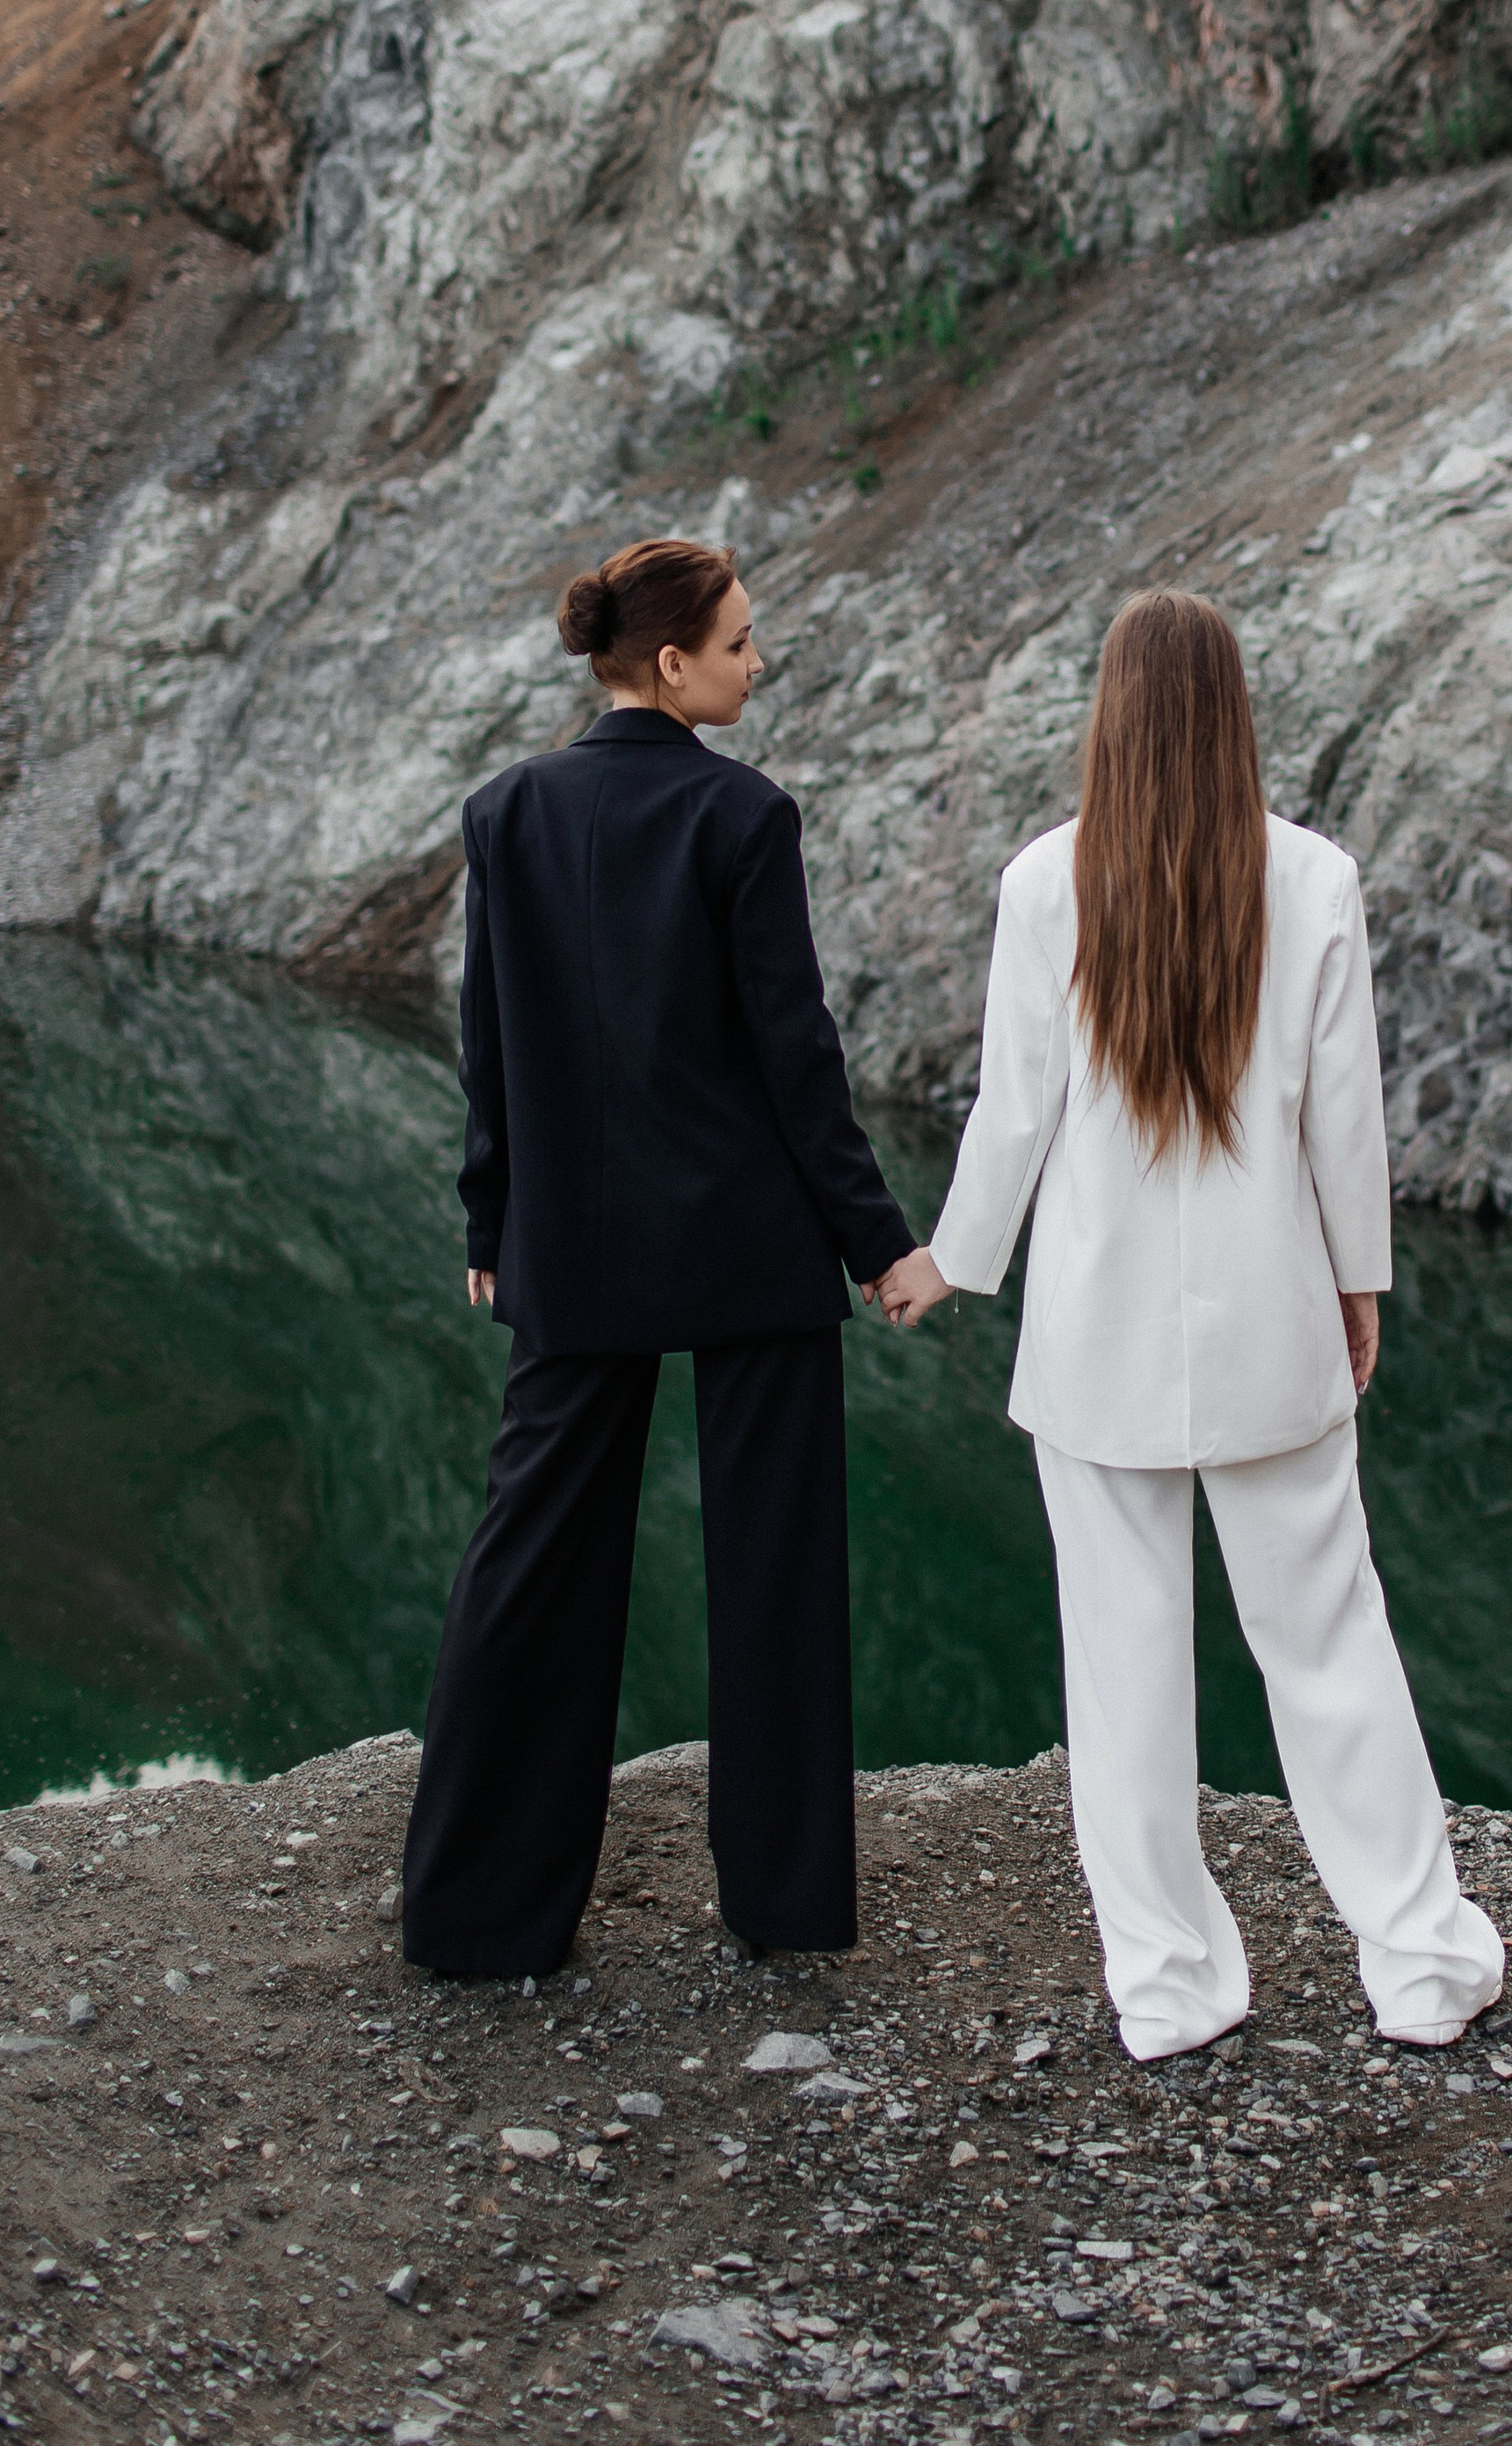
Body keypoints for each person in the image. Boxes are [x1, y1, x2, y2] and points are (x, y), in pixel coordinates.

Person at [882, 591, 1503, 2062]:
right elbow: (1344, 1118)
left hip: (1092, 1341)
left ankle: (1169, 1989)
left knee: (1124, 1673)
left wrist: (949, 1263)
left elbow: (1014, 1114)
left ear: (1108, 712)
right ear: (1232, 709)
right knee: (1331, 1643)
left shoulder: (1046, 883)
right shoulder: (1316, 876)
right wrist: (1359, 1283)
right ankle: (1421, 1966)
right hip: (1271, 1326)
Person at [401, 536, 920, 1980]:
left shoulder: (506, 810)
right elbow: (796, 1058)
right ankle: (784, 1903)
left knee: (530, 1568)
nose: (759, 663)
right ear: (673, 662)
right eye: (741, 643)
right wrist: (876, 1242)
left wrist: (491, 1220)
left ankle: (478, 1917)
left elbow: (489, 1040)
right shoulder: (743, 814)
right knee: (775, 1573)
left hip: (572, 1243)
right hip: (747, 1243)